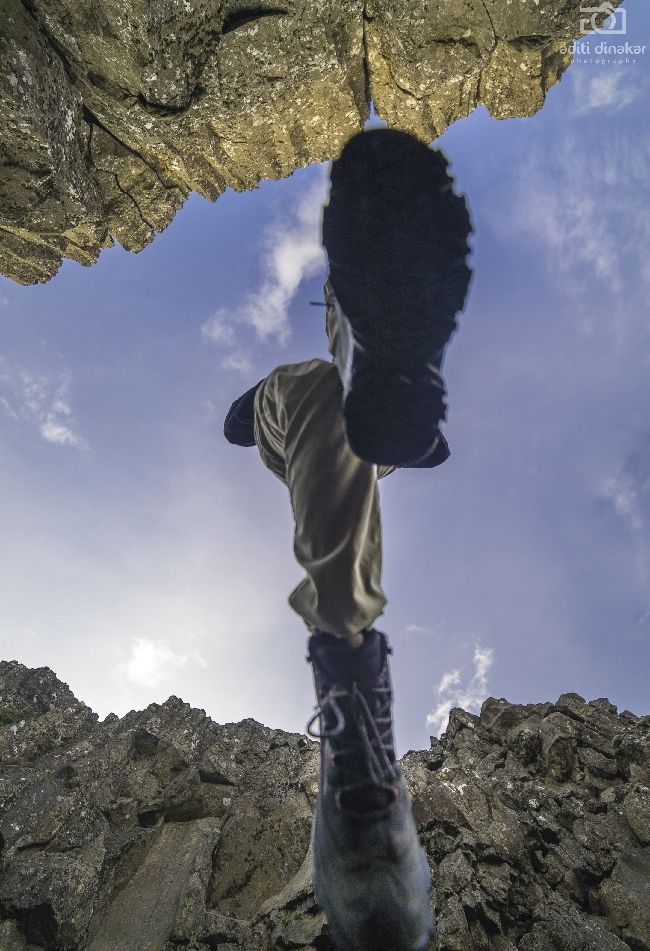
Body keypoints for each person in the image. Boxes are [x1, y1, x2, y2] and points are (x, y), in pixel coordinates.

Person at [224, 129, 472, 951]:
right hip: (333, 433)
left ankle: (351, 687)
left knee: (317, 394)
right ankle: (374, 367)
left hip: (316, 424)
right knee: (389, 911)